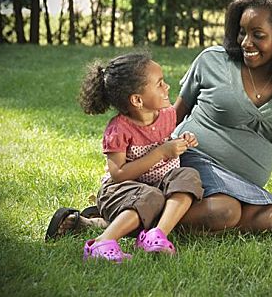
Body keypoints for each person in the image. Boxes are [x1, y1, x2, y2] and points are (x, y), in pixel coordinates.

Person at [47, 0, 272, 238]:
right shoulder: (213, 62)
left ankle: (130, 216)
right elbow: (172, 115)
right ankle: (117, 221)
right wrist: (139, 161)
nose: (245, 43)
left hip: (243, 182)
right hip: (192, 163)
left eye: (258, 35)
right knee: (223, 212)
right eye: (242, 32)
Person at [46, 52, 203, 263]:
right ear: (137, 100)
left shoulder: (167, 114)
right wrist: (161, 153)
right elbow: (118, 173)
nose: (167, 87)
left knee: (188, 175)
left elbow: (167, 139)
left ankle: (156, 236)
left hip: (158, 185)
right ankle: (101, 242)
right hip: (122, 190)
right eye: (159, 84)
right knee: (151, 198)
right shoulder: (118, 130)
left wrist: (184, 139)